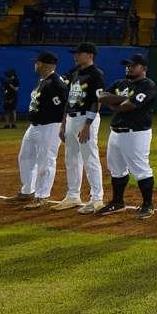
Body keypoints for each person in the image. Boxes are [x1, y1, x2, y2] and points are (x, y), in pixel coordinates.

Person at [96, 53, 157, 219]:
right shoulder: (120, 83)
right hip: (115, 131)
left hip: (136, 133)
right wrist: (122, 99)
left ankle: (147, 205)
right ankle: (117, 202)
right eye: (127, 65)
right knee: (116, 169)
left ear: (143, 68)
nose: (128, 68)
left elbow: (128, 106)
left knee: (141, 169)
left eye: (133, 65)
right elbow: (101, 96)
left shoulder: (147, 85)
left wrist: (116, 102)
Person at [51, 42, 105, 214]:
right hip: (72, 118)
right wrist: (63, 123)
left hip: (86, 118)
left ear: (90, 55)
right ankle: (73, 195)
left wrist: (88, 125)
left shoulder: (96, 74)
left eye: (78, 53)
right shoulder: (75, 73)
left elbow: (97, 101)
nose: (75, 56)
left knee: (90, 157)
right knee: (71, 158)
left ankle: (97, 198)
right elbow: (69, 100)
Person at [14, 52, 68, 210]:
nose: (35, 64)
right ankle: (27, 191)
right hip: (35, 125)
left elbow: (65, 105)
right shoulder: (43, 81)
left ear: (46, 65)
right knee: (25, 156)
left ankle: (42, 195)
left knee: (46, 160)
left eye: (37, 62)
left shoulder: (56, 83)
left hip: (50, 126)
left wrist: (63, 126)